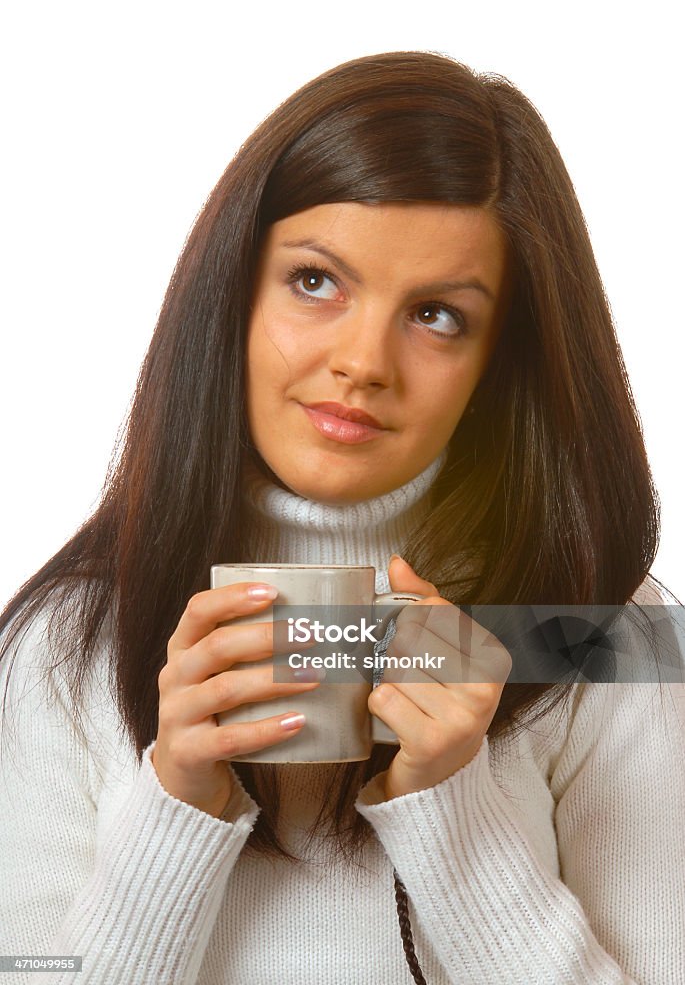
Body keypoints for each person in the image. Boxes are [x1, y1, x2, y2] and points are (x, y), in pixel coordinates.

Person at [0, 50, 683, 985]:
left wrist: (451, 804)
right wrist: (174, 805)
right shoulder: (67, 640)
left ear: (499, 361)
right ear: (232, 291)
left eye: (437, 314)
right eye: (316, 281)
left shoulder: (600, 630)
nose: (363, 360)